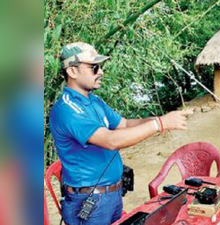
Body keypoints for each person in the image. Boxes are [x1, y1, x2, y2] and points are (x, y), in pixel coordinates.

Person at [49, 42, 192, 225]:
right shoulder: (67, 109)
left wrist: (162, 119)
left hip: (111, 194)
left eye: (101, 66)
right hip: (89, 202)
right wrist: (159, 124)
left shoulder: (95, 101)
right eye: (94, 67)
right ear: (72, 71)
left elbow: (124, 124)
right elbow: (110, 140)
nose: (100, 71)